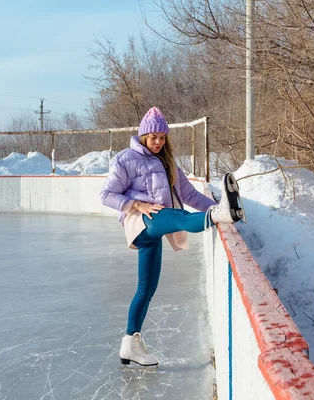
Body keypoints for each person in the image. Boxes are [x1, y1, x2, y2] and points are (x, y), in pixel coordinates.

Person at [99, 106, 243, 367]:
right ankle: (221, 216)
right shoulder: (125, 159)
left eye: (162, 137)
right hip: (140, 221)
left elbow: (189, 195)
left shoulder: (168, 162)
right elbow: (106, 195)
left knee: (146, 288)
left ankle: (129, 344)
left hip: (155, 228)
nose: (158, 142)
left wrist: (211, 205)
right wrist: (136, 205)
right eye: (153, 137)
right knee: (177, 217)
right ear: (143, 136)